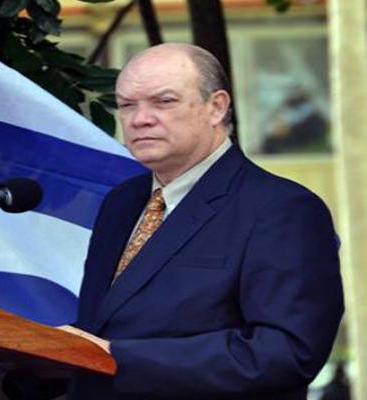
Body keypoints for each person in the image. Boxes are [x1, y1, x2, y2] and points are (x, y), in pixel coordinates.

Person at [65, 43, 344, 400]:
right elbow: (106, 323)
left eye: (163, 101)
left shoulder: (283, 208)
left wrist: (116, 357)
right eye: (126, 105)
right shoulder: (122, 202)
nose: (139, 119)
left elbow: (286, 352)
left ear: (216, 107)